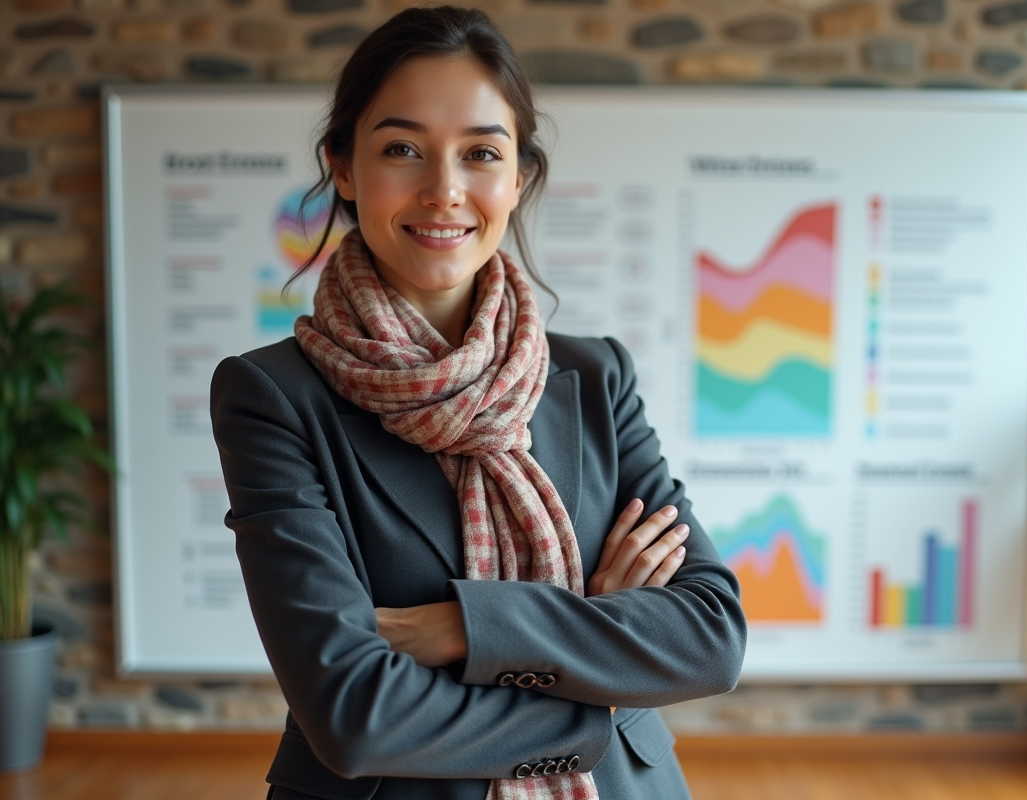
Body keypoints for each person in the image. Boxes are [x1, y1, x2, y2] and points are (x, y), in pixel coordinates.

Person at [209, 6, 747, 799]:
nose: (444, 191)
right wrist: (591, 681)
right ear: (345, 168)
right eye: (402, 149)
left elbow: (708, 638)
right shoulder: (273, 397)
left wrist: (458, 627)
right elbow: (354, 713)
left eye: (481, 154)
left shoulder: (595, 378)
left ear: (518, 177)